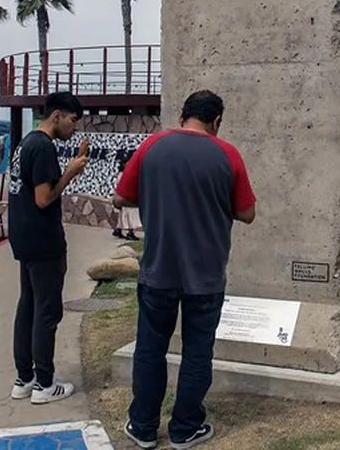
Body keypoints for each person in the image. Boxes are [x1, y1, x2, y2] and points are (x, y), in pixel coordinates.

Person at [115, 90, 256, 450]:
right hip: (206, 276)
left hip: (158, 269)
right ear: (217, 122)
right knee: (197, 352)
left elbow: (121, 197)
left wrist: (156, 194)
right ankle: (185, 429)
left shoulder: (152, 147)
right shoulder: (227, 154)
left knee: (150, 348)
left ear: (182, 116)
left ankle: (143, 427)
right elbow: (247, 213)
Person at [7, 91, 89, 405]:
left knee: (27, 305)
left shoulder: (25, 143)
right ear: (56, 115)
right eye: (72, 120)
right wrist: (70, 172)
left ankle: (23, 378)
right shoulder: (42, 148)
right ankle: (43, 383)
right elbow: (43, 199)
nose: (74, 128)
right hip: (43, 240)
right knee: (46, 311)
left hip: (23, 236)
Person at [112, 150, 141, 242]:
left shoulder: (123, 174)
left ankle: (118, 230)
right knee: (130, 215)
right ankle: (130, 233)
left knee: (124, 216)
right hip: (125, 198)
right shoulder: (122, 175)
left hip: (123, 198)